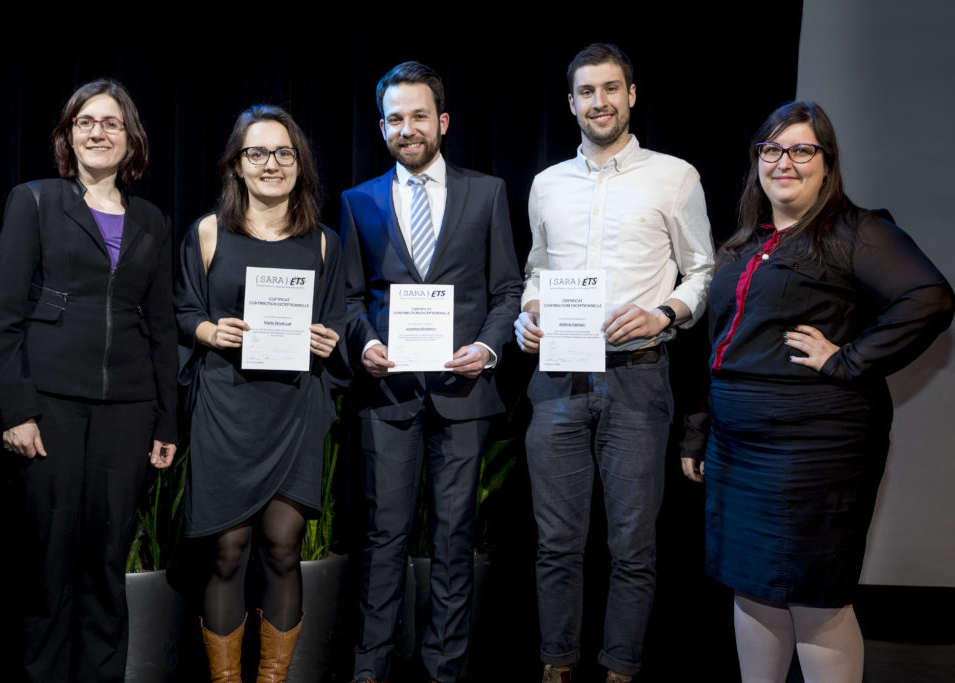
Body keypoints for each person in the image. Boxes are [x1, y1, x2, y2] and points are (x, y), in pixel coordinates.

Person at [686, 101, 954, 683]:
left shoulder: (854, 231)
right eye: (772, 150)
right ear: (757, 159)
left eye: (802, 150)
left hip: (814, 452)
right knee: (754, 588)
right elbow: (724, 343)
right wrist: (699, 427)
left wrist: (849, 359)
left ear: (826, 163)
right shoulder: (744, 244)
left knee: (814, 595)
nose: (785, 162)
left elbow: (930, 299)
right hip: (738, 447)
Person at [514, 43, 714, 683]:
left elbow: (703, 270)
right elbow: (537, 270)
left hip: (638, 376)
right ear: (570, 103)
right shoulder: (547, 184)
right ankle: (557, 665)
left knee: (632, 545)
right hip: (557, 380)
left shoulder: (675, 176)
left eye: (610, 88)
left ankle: (621, 670)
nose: (598, 101)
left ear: (631, 95)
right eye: (585, 92)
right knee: (556, 544)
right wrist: (528, 314)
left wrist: (666, 313)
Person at [0, 78, 177, 683]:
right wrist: (16, 408)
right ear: (69, 135)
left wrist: (167, 418)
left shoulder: (152, 218)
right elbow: (2, 313)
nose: (98, 132)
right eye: (85, 122)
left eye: (111, 123)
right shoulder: (35, 199)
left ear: (130, 138)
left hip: (128, 411)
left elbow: (163, 327)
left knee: (105, 561)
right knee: (49, 560)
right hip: (50, 408)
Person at [340, 61, 522, 683]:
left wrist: (490, 349)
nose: (407, 127)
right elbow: (348, 299)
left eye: (419, 115)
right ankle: (371, 670)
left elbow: (507, 291)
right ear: (382, 125)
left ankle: (444, 671)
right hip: (387, 393)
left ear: (441, 121)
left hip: (462, 393)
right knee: (383, 539)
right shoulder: (357, 200)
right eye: (396, 118)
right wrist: (362, 343)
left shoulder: (487, 191)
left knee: (453, 542)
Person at [175, 104, 347, 683]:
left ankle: (272, 679)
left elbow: (336, 321)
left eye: (282, 153)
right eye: (256, 153)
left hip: (293, 409)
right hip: (226, 408)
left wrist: (329, 339)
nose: (270, 164)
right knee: (227, 551)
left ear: (299, 164)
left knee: (283, 549)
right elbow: (181, 311)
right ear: (237, 165)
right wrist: (208, 330)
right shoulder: (207, 232)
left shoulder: (323, 243)